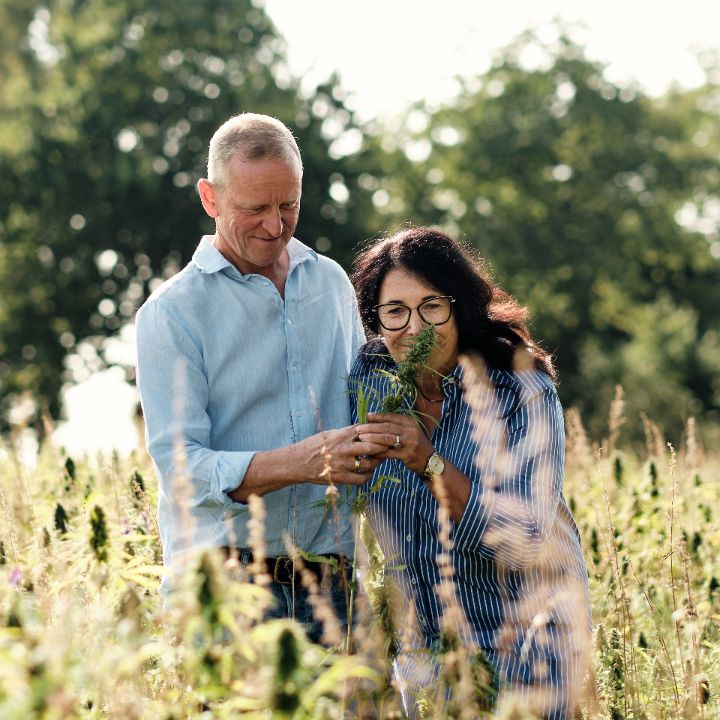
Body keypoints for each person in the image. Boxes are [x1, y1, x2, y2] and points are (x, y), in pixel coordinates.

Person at [135, 113, 385, 642]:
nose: (275, 225)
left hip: (333, 581)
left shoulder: (333, 282)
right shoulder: (172, 314)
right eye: (254, 209)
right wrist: (303, 462)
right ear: (210, 198)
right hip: (223, 589)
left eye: (288, 204)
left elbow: (368, 404)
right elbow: (184, 473)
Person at [349, 227, 592, 718]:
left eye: (432, 306)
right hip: (426, 655)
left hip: (526, 647)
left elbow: (524, 540)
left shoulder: (519, 390)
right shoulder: (368, 383)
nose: (414, 328)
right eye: (394, 311)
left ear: (459, 306)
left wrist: (429, 462)